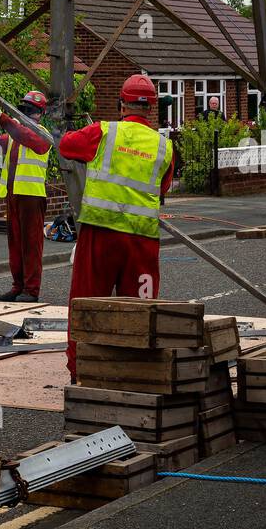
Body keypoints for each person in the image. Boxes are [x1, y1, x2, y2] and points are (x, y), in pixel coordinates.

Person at [58, 74, 173, 381]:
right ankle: (135, 376)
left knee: (87, 304)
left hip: (100, 233)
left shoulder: (102, 132)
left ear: (122, 104)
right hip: (142, 242)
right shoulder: (165, 147)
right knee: (139, 312)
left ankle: (81, 373)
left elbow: (67, 146)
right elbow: (162, 187)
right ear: (151, 108)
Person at [0, 90, 52, 303]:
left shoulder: (42, 133)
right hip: (13, 195)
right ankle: (18, 286)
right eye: (26, 110)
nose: (29, 114)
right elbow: (2, 141)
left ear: (40, 114)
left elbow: (27, 138)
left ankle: (31, 290)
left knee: (31, 245)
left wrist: (2, 119)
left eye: (33, 111)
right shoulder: (14, 133)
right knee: (15, 245)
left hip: (32, 196)